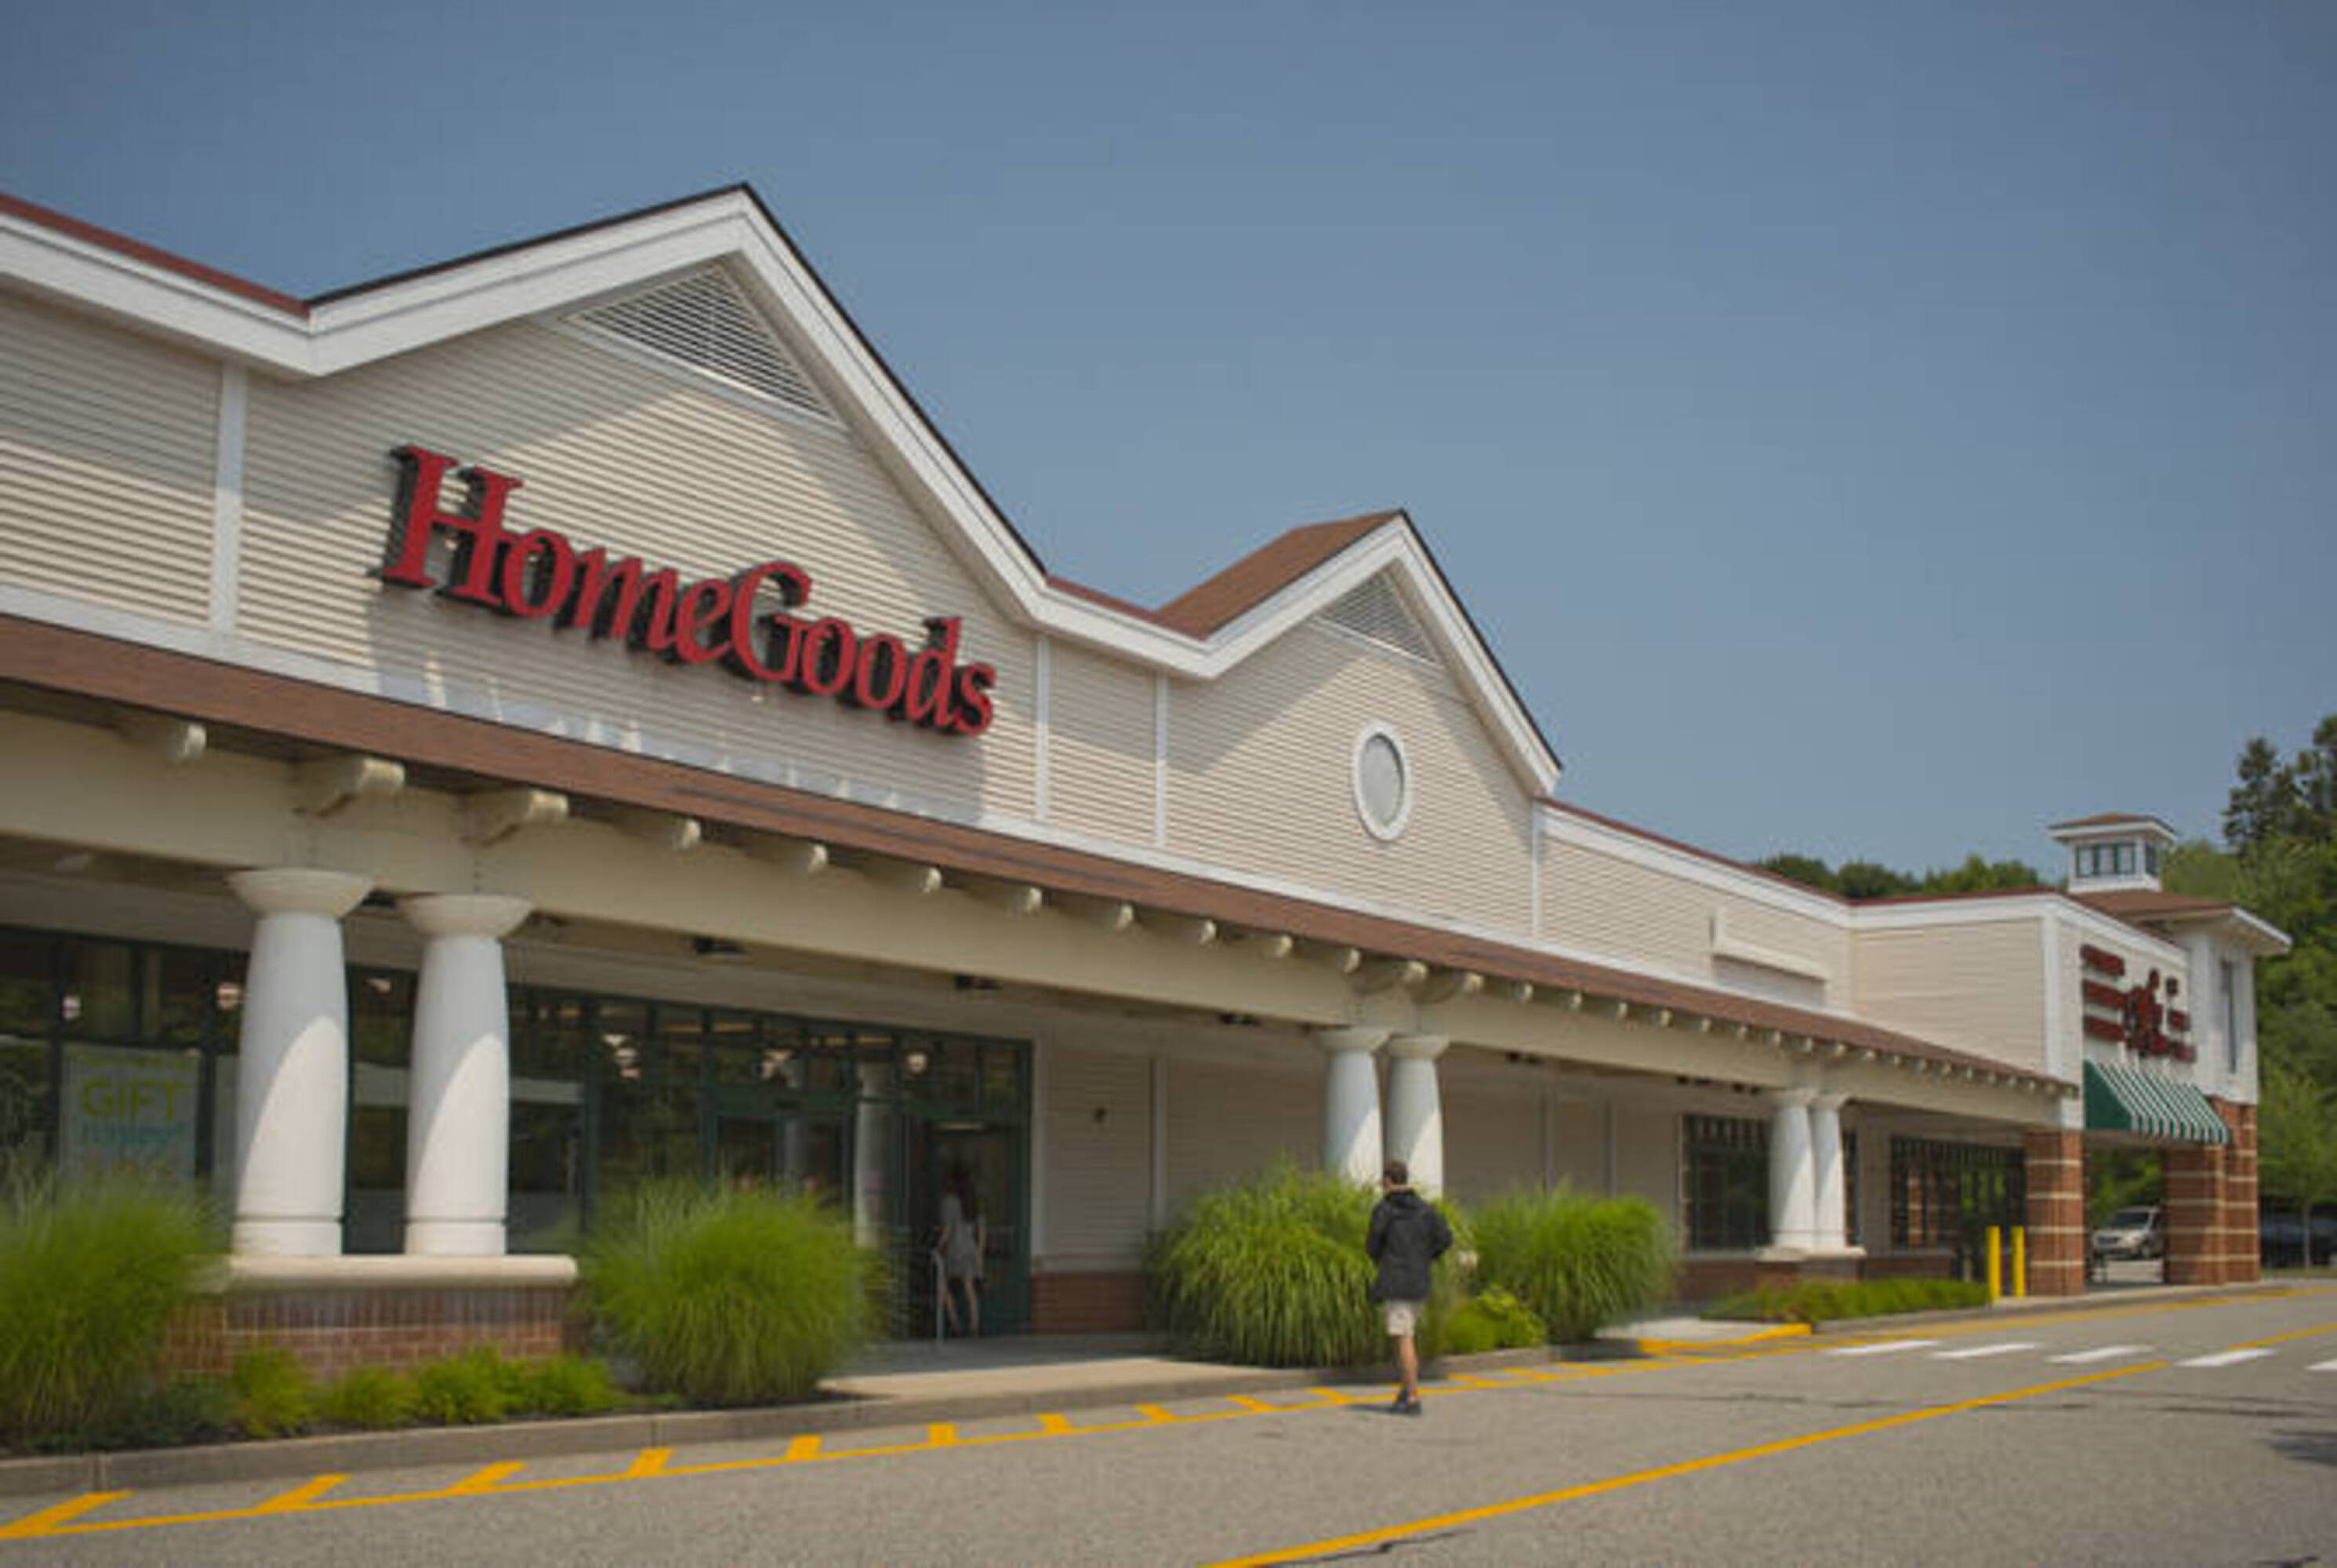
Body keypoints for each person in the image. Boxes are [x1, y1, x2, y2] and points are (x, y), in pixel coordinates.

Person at [1365, 1159, 1451, 1416]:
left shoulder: (1384, 1210)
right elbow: (1445, 1239)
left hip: (1396, 1281)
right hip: (1419, 1280)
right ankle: (1406, 1389)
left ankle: (1412, 1398)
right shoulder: (1426, 1209)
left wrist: (1386, 1260)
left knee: (1403, 1338)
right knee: (1404, 1336)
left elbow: (1372, 1245)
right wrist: (1425, 1258)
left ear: (1388, 1181)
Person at [937, 1163, 985, 1338]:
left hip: (954, 1249)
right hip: (970, 1248)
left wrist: (938, 1247)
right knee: (969, 1288)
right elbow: (982, 1229)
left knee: (944, 1286)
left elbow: (948, 1230)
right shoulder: (973, 1200)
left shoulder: (949, 1202)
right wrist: (979, 1252)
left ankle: (955, 1323)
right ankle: (974, 1326)